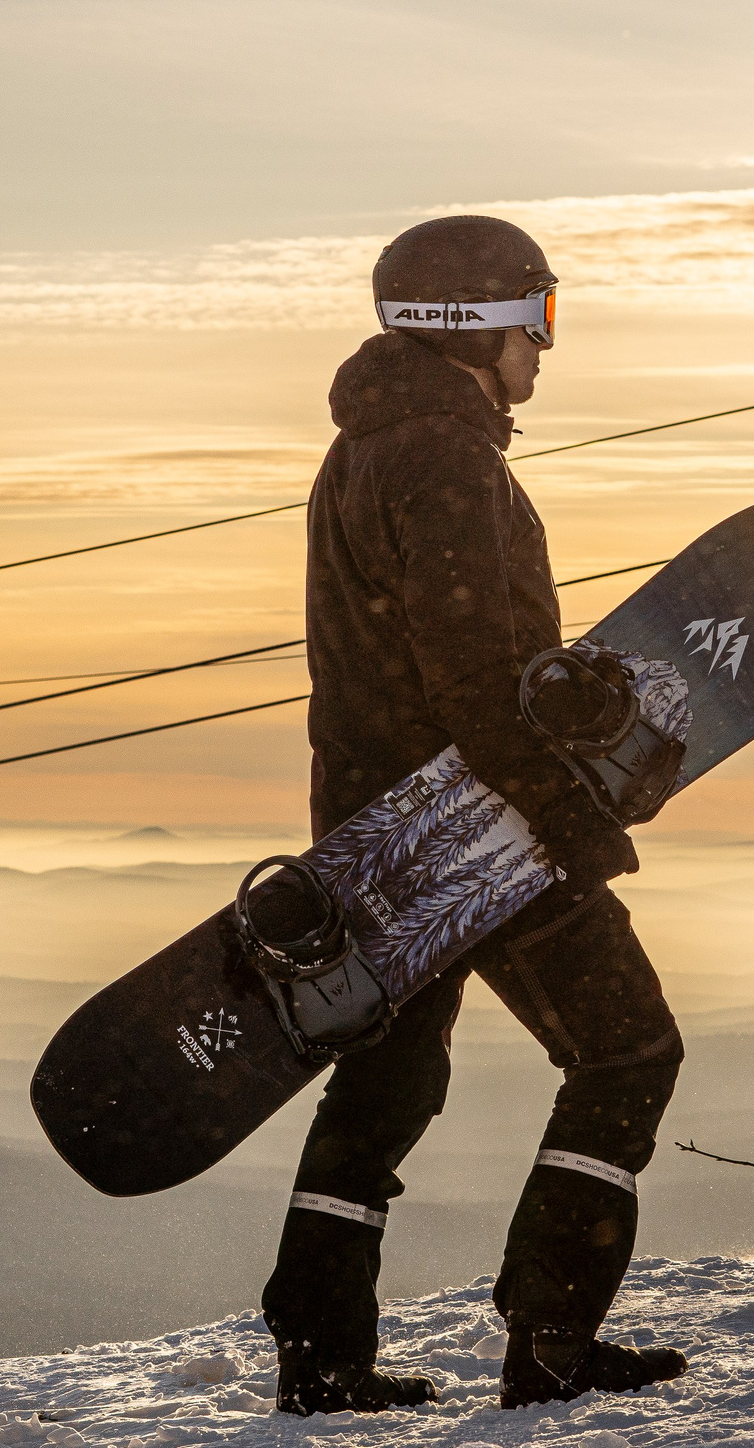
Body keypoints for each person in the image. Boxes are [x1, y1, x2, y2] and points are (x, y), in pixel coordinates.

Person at [261, 214, 691, 1416]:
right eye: (538, 316)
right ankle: (550, 1337)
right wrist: (570, 819)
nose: (546, 348)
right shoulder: (443, 460)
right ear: (477, 323)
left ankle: (320, 1354)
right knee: (626, 1049)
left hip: (378, 823)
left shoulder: (365, 451)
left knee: (390, 1086)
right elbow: (473, 679)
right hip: (470, 826)